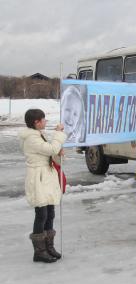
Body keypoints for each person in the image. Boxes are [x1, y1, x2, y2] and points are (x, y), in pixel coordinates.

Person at [18, 109, 67, 263]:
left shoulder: (39, 135)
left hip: (47, 176)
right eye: (43, 119)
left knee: (50, 213)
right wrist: (58, 135)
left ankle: (48, 247)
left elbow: (51, 152)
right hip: (38, 178)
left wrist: (58, 153)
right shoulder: (31, 138)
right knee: (42, 214)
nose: (45, 122)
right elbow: (50, 149)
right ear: (36, 122)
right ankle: (39, 252)